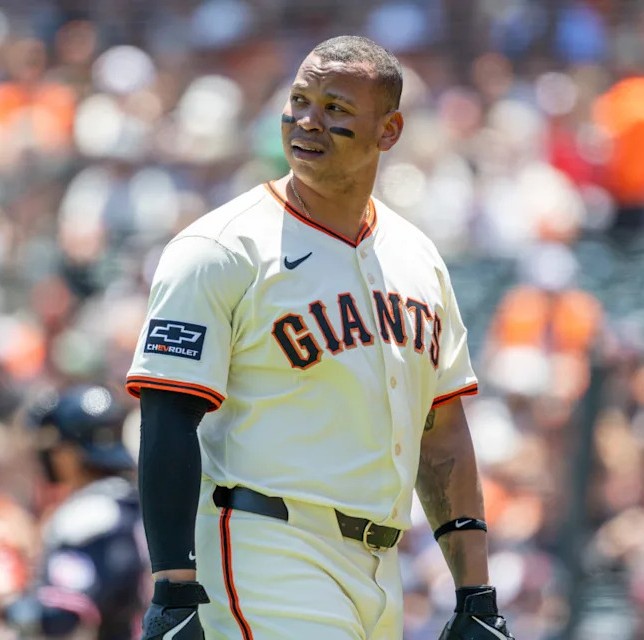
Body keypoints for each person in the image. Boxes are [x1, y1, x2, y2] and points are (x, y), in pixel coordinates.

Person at [126, 35, 515, 640]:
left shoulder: (418, 257)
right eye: (299, 100)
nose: (307, 120)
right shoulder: (221, 248)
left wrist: (476, 594)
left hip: (380, 569)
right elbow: (168, 415)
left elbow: (441, 435)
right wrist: (174, 590)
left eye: (336, 108)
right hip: (263, 548)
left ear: (389, 132)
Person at [8, 384, 147, 639]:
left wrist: (5, 606)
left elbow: (63, 616)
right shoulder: (135, 502)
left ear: (70, 454)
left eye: (54, 448)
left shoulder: (89, 515)